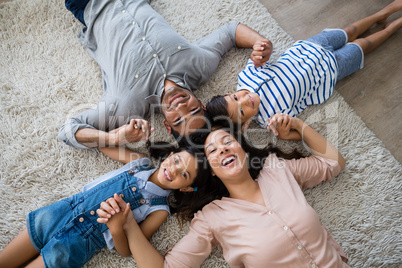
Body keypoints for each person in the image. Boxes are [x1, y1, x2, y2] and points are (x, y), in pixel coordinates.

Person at [98, 112, 350, 267]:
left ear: (242, 150)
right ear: (213, 170)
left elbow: (333, 163)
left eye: (227, 142)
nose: (222, 149)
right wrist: (129, 226)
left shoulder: (277, 169)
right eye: (212, 151)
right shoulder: (211, 218)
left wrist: (299, 126)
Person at [59, 0, 272, 149]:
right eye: (193, 110)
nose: (181, 107)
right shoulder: (200, 66)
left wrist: (114, 137)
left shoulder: (127, 106)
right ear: (201, 102)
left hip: (91, 4)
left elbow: (69, 130)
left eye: (179, 119)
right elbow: (231, 32)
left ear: (167, 126)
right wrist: (261, 44)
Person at [206, 1, 402, 135]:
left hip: (309, 48)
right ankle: (392, 27)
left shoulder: (246, 77)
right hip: (329, 72)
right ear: (245, 125)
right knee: (363, 46)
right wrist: (285, 132)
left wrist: (259, 50)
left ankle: (381, 14)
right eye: (241, 112)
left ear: (229, 92)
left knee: (349, 31)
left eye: (234, 97)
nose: (244, 100)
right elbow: (296, 132)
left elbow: (261, 55)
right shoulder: (270, 119)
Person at [0, 143, 210, 268]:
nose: (173, 170)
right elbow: (103, 144)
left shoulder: (159, 210)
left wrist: (116, 227)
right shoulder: (139, 163)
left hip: (77, 243)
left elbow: (127, 251)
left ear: (186, 188)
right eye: (177, 161)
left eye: (184, 174)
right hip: (59, 213)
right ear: (171, 155)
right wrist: (126, 133)